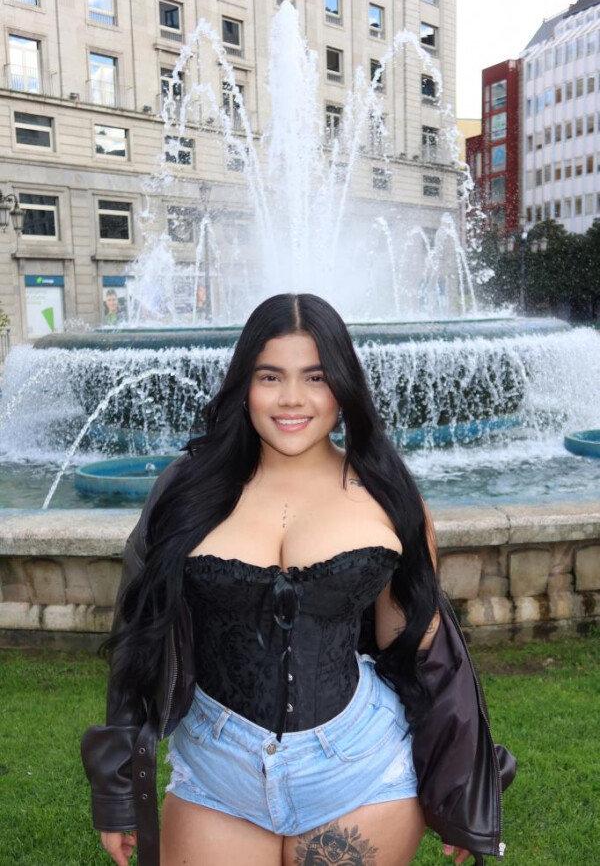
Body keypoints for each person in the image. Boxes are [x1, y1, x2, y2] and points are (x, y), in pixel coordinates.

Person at [82, 293, 515, 866]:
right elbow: (139, 638)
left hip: (360, 769)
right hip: (217, 775)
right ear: (244, 384)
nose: (292, 398)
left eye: (315, 377)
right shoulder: (185, 489)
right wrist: (117, 791)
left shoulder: (387, 493)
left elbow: (423, 650)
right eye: (270, 376)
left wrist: (461, 793)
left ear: (343, 385)